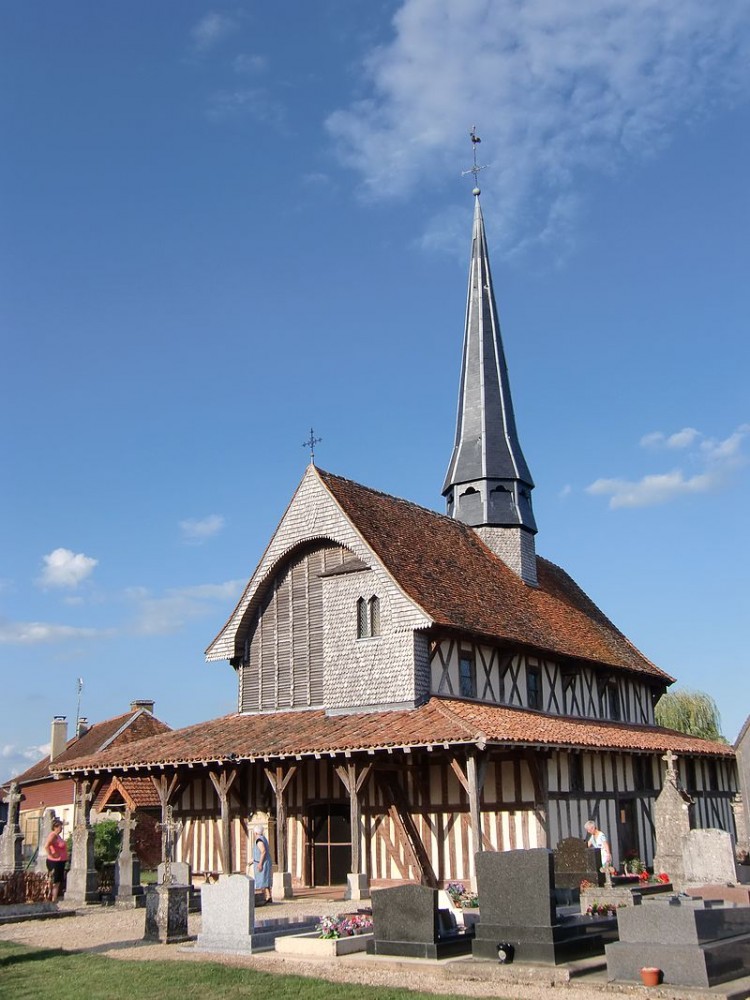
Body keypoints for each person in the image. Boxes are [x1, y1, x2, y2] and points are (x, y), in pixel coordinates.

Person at [45, 818, 68, 902]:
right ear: (55, 827)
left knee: (57, 881)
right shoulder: (53, 835)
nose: (61, 828)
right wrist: (51, 854)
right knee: (54, 880)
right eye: (60, 827)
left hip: (60, 861)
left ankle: (54, 898)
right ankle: (50, 897)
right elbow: (47, 845)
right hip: (55, 861)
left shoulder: (58, 836)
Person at [252, 824, 272, 903]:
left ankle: (265, 897)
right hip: (264, 861)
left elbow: (263, 851)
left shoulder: (259, 840)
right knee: (265, 880)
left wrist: (260, 864)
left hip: (262, 862)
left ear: (256, 833)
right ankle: (268, 896)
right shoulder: (263, 839)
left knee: (262, 881)